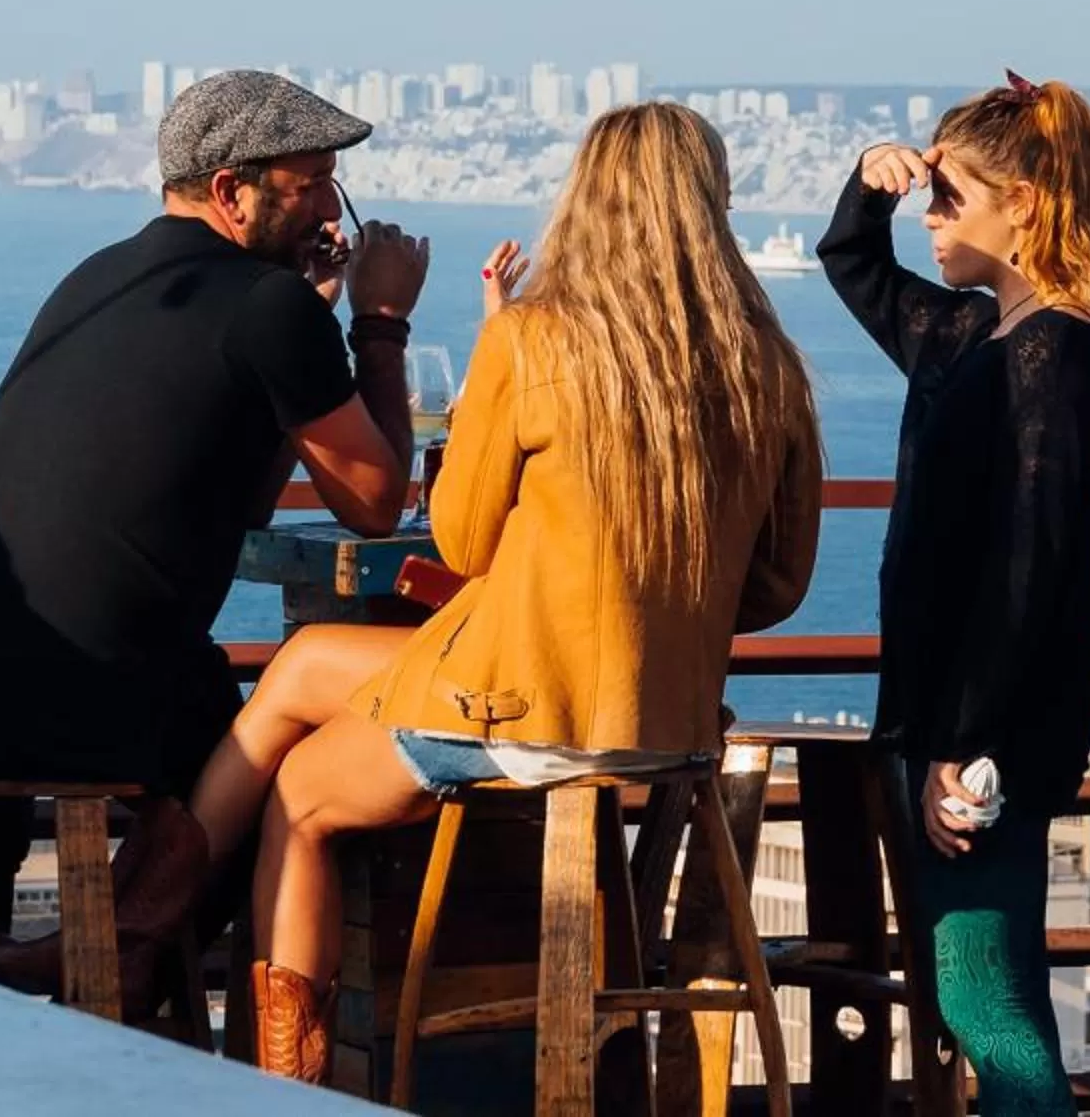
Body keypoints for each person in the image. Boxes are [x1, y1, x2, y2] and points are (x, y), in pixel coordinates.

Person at [173, 100, 826, 1081]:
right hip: (673, 722)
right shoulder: (763, 362)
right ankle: (153, 913)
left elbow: (469, 538)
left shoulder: (534, 339)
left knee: (303, 797)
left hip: (520, 710)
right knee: (306, 666)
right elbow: (779, 582)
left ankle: (278, 1079)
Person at [0, 69, 426, 998]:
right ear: (231, 191)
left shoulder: (97, 276)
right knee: (292, 783)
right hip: (94, 693)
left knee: (199, 757)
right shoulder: (267, 307)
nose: (332, 207)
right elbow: (374, 504)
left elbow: (243, 501)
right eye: (311, 183)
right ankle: (113, 999)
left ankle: (3, 1000)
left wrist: (312, 326)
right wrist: (378, 324)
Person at [820, 74, 1090, 1117]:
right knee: (984, 1001)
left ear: (1026, 206)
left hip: (983, 735)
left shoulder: (1057, 352)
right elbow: (853, 263)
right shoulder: (966, 336)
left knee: (984, 1002)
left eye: (949, 195)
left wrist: (964, 740)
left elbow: (1030, 565)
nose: (931, 215)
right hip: (944, 720)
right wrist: (871, 184)